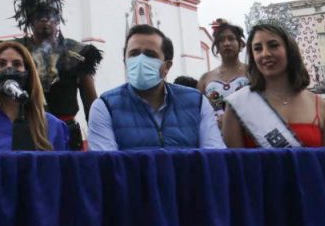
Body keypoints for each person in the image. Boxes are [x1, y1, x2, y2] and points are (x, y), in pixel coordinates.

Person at [2, 0, 102, 150]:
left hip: (66, 136)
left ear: (58, 17)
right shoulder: (14, 52)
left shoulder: (78, 53)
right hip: (23, 133)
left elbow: (90, 103)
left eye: (49, 14)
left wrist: (99, 144)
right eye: (38, 15)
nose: (45, 19)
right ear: (29, 18)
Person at [88, 24, 225, 150]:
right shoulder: (105, 107)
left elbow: (213, 156)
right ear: (125, 61)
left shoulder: (197, 103)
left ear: (167, 66)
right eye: (134, 54)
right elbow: (107, 166)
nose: (140, 61)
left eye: (150, 54)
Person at [222, 22, 325, 148]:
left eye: (273, 45)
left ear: (289, 50)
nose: (265, 54)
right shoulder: (238, 104)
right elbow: (234, 165)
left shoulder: (319, 105)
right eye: (258, 48)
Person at [197, 19, 249, 124]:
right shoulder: (205, 79)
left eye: (231, 38)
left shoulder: (252, 72)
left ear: (240, 44)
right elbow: (199, 113)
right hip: (216, 137)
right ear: (216, 46)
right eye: (221, 40)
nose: (226, 43)